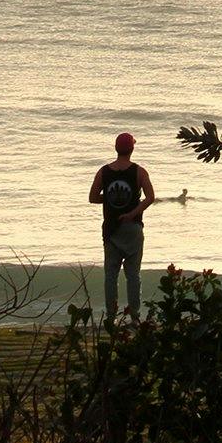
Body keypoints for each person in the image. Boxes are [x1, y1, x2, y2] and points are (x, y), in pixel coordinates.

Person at [88, 130, 155, 320]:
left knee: (111, 275)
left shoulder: (104, 172)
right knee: (133, 275)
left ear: (116, 149)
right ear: (132, 149)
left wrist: (109, 200)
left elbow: (92, 198)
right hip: (133, 227)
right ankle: (134, 317)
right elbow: (150, 197)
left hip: (111, 228)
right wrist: (133, 212)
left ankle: (111, 317)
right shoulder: (139, 172)